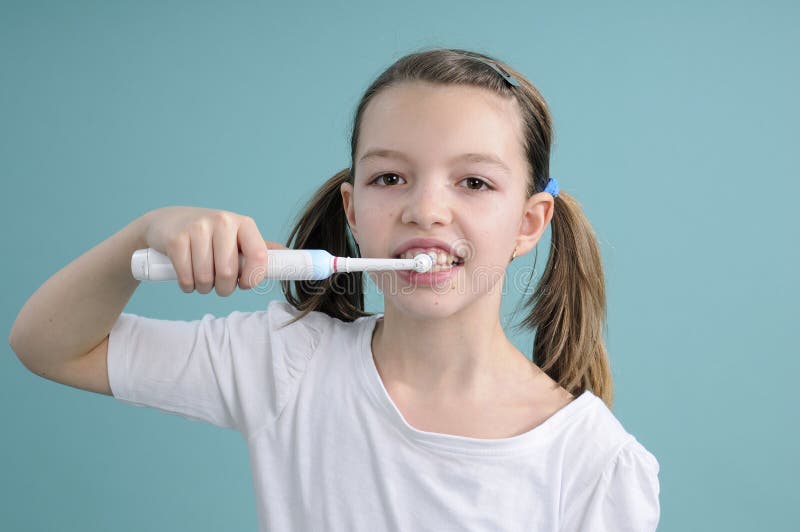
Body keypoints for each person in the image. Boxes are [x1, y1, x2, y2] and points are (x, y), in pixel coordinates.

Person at [10, 48, 660, 531]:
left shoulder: (594, 464)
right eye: (389, 178)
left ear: (528, 223)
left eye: (474, 183)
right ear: (353, 212)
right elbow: (48, 346)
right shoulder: (286, 362)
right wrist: (145, 233)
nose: (425, 210)